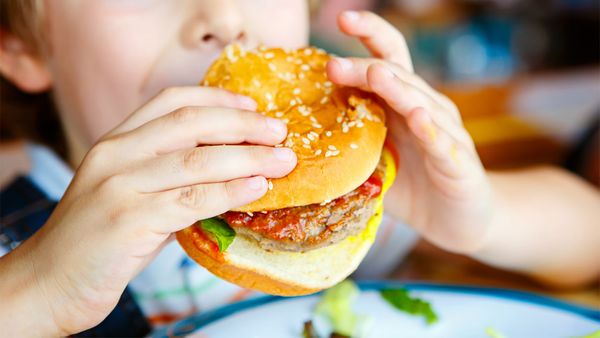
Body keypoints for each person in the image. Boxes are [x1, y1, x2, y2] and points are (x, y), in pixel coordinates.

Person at [0, 1, 598, 336]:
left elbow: (589, 238)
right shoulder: (18, 230)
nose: (226, 17)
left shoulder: (328, 198)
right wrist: (37, 289)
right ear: (21, 48)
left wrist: (482, 219)